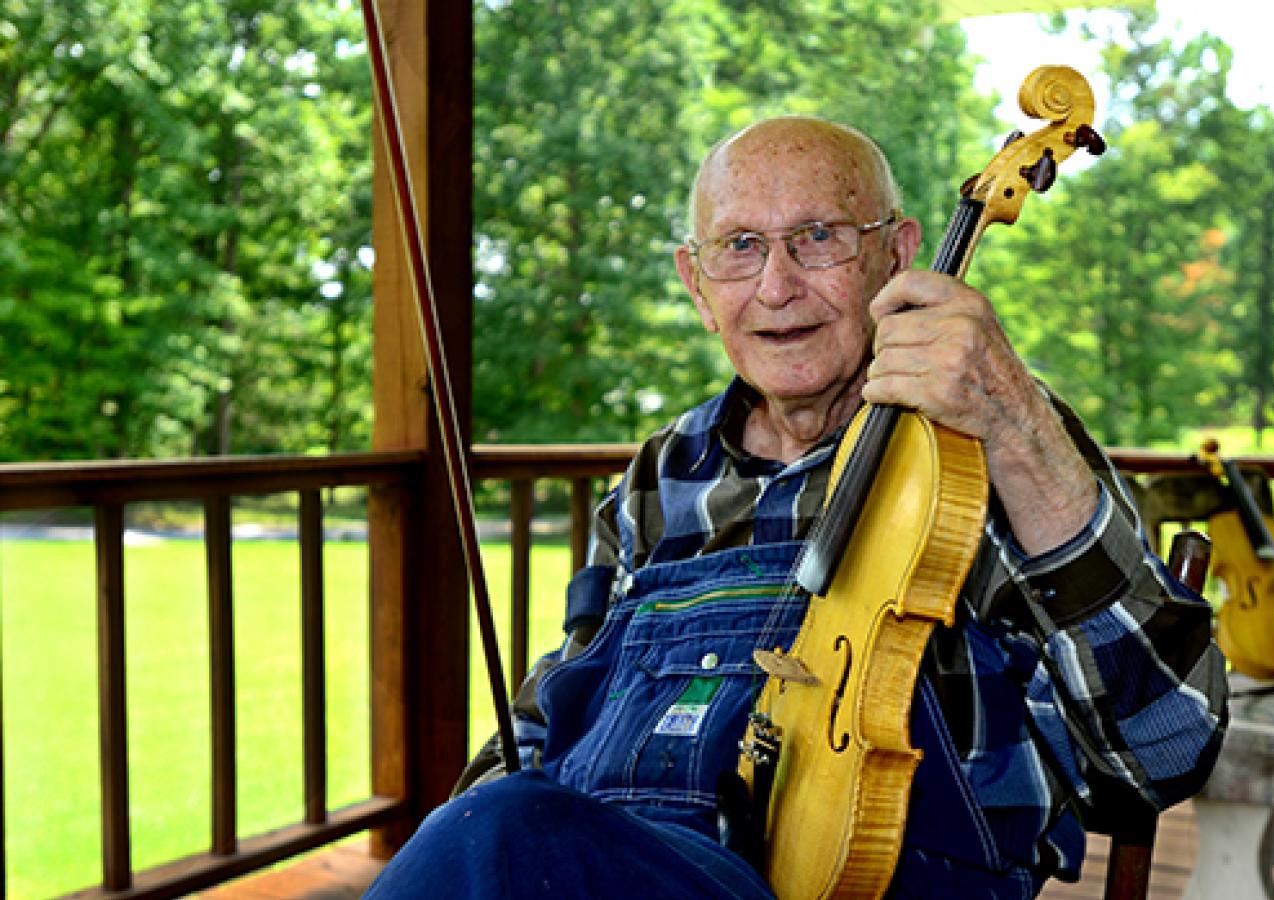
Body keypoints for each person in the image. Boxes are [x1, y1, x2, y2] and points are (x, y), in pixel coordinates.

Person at [366, 116, 1227, 899]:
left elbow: (1161, 752)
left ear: (898, 256)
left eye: (817, 238)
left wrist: (1020, 431)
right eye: (739, 246)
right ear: (697, 285)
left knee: (509, 830)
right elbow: (549, 719)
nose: (776, 286)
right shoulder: (661, 476)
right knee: (498, 820)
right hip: (616, 869)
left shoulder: (984, 440)